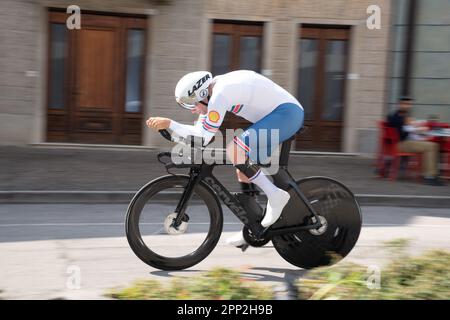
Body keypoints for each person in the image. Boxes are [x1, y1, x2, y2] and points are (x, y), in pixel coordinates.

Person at [146, 70, 304, 248]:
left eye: (192, 104)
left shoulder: (219, 95)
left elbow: (204, 137)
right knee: (243, 170)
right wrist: (172, 134)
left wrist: (170, 124)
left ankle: (275, 195)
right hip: (274, 117)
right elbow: (199, 135)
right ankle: (254, 226)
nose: (193, 110)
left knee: (235, 150)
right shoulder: (211, 96)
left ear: (202, 94)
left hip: (287, 114)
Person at [387, 96, 444, 186]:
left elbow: (409, 128)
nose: (406, 106)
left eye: (408, 104)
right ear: (399, 105)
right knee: (431, 146)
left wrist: (415, 126)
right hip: (400, 144)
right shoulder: (395, 116)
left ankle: (432, 175)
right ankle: (429, 177)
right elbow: (401, 125)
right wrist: (413, 125)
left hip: (405, 142)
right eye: (404, 104)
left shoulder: (403, 117)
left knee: (434, 145)